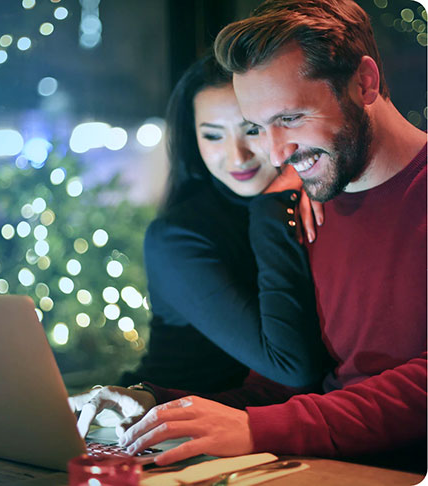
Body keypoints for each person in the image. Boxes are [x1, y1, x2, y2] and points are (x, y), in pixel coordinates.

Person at [73, 0, 427, 471]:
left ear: (365, 83)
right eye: (260, 126)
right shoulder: (310, 203)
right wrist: (157, 405)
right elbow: (283, 390)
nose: (275, 152)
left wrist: (260, 428)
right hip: (321, 465)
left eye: (292, 118)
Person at [70, 55, 332, 431]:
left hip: (247, 429)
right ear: (193, 140)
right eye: (212, 135)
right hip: (158, 426)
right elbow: (293, 367)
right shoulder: (179, 237)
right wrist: (275, 204)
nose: (237, 155)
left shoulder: (312, 201)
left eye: (251, 130)